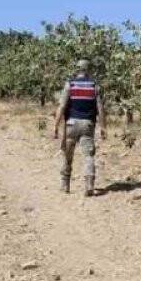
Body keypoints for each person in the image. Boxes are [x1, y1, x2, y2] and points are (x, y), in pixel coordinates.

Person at [52, 59, 107, 196]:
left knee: (67, 155)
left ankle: (65, 185)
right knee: (88, 155)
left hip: (71, 125)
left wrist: (56, 125)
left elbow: (62, 106)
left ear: (77, 69)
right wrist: (103, 127)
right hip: (87, 125)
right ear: (88, 70)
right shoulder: (94, 86)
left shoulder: (70, 85)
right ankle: (89, 184)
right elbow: (100, 108)